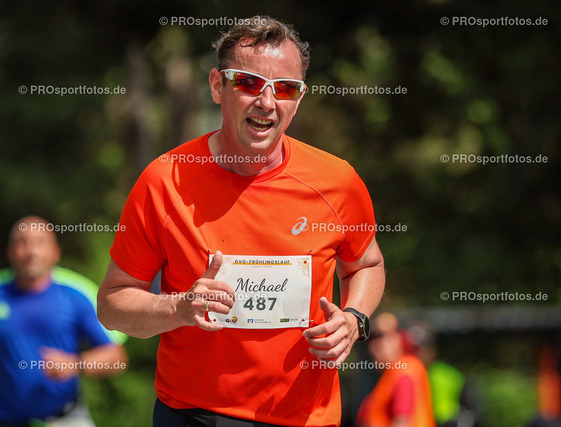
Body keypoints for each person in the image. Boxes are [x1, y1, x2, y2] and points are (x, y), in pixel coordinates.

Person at [97, 15, 385, 427]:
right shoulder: (164, 180)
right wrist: (179, 306)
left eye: (285, 88)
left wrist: (354, 319)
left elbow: (366, 264)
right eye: (248, 82)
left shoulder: (337, 181)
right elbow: (112, 306)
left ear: (299, 98)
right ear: (217, 86)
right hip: (194, 414)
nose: (267, 102)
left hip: (306, 417)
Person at [0, 216, 128, 426]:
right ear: (10, 252)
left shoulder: (76, 293)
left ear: (55, 252)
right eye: (22, 242)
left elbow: (116, 358)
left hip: (66, 418)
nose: (31, 251)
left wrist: (75, 364)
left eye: (39, 242)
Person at [357, 313, 436, 427]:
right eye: (372, 340)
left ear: (401, 339)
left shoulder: (404, 370)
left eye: (382, 339)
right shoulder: (395, 371)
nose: (375, 347)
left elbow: (402, 421)